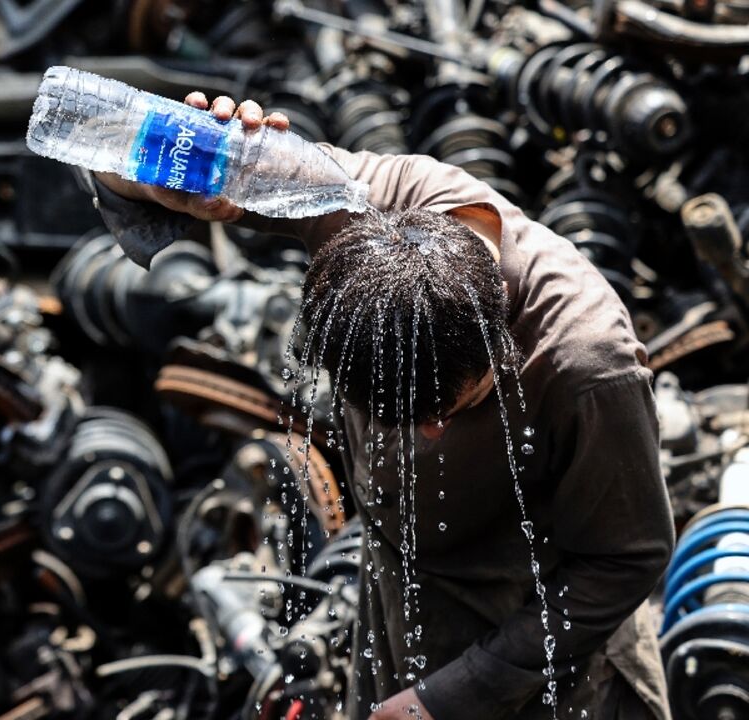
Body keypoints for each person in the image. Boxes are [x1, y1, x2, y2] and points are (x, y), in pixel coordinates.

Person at [83, 93, 675, 720]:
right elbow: (106, 131)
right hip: (398, 608)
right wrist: (148, 179)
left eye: (450, 407)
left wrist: (448, 698)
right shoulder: (362, 210)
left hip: (551, 659)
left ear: (501, 323)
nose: (429, 433)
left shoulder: (586, 363)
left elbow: (625, 558)